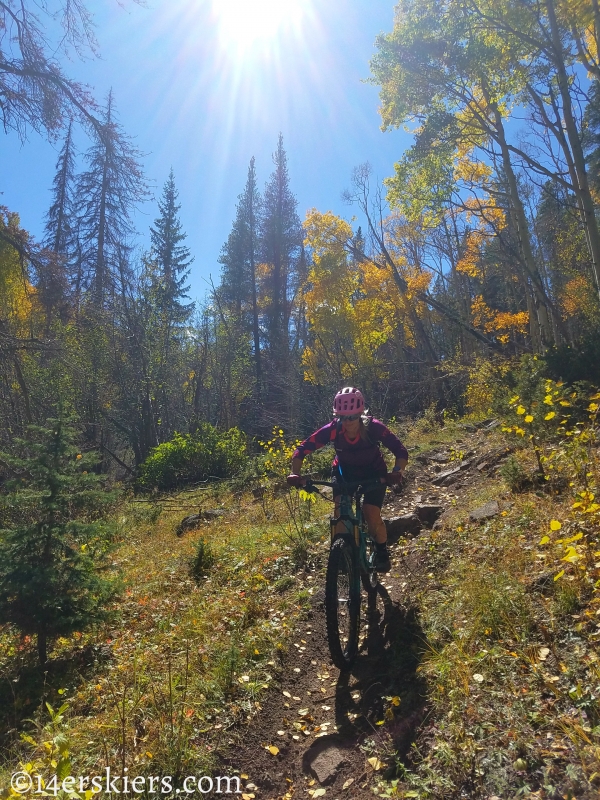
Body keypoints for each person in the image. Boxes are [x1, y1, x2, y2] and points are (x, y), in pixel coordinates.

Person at [286, 387, 408, 572]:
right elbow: (302, 449)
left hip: (374, 473)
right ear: (337, 416)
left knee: (371, 513)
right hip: (344, 472)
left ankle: (382, 551)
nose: (348, 421)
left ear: (360, 413)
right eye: (343, 417)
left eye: (352, 417)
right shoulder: (333, 430)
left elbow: (400, 451)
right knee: (341, 511)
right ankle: (343, 553)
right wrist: (295, 473)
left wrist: (397, 471)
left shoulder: (373, 428)